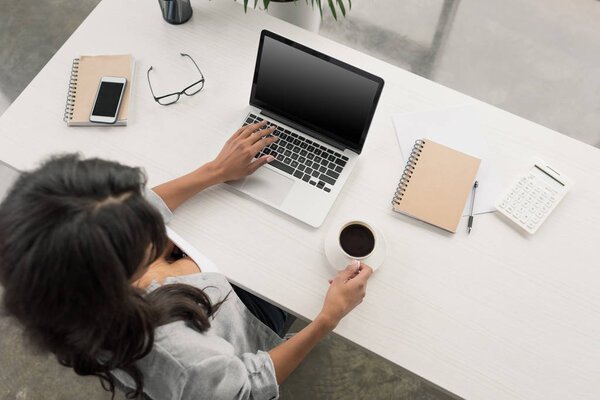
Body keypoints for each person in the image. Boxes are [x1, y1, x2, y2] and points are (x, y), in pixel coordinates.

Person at [0, 121, 373, 400]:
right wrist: (329, 318)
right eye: (143, 230)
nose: (150, 213)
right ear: (117, 275)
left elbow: (122, 209)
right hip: (246, 320)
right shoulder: (181, 355)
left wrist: (216, 170)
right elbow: (248, 387)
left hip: (211, 286)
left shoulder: (56, 265)